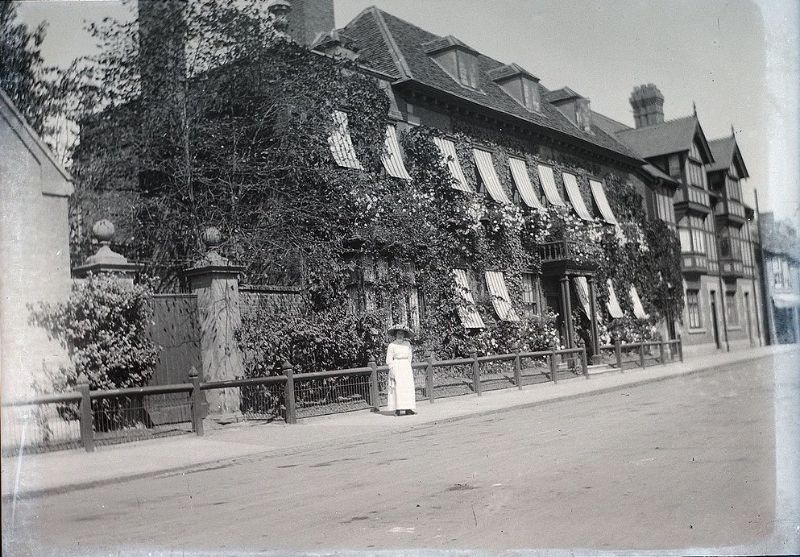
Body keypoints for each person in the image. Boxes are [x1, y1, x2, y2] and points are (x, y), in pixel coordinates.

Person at [385, 324, 416, 416]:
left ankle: (408, 408)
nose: (400, 335)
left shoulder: (407, 344)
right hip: (397, 366)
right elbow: (389, 359)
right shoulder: (392, 345)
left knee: (408, 387)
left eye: (402, 333)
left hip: (406, 367)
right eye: (398, 333)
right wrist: (392, 369)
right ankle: (397, 409)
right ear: (395, 334)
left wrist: (407, 366)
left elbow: (410, 356)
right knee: (398, 387)